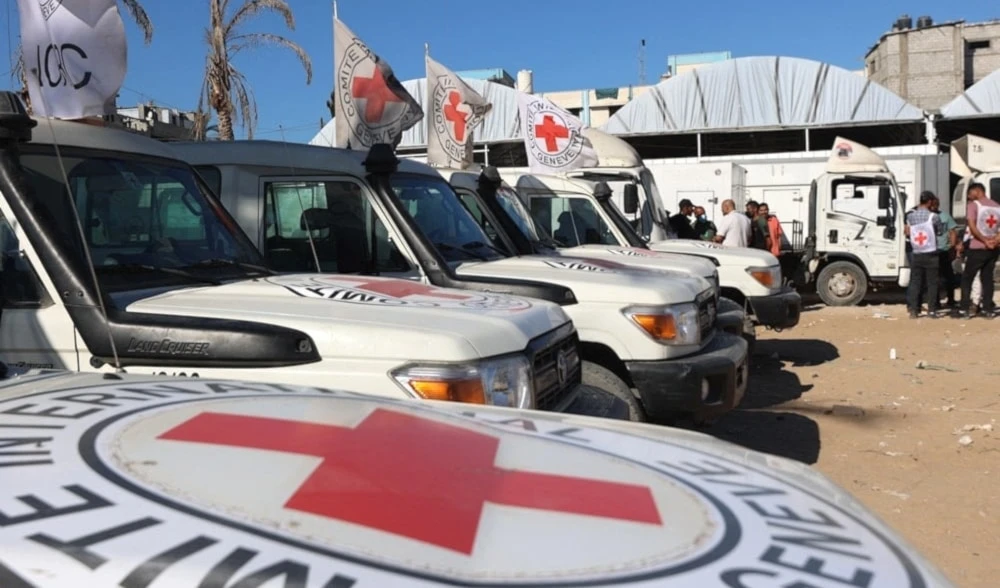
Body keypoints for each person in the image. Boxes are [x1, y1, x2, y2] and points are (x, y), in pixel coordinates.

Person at [959, 182, 1000, 318]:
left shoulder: (973, 205)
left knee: (967, 278)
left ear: (977, 191)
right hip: (993, 249)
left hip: (977, 247)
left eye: (970, 194)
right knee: (987, 278)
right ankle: (987, 309)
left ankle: (964, 308)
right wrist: (994, 241)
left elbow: (972, 226)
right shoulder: (997, 206)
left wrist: (984, 240)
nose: (970, 197)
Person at [905, 191, 945, 319]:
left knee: (916, 281)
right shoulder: (933, 217)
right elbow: (939, 232)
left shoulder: (910, 216)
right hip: (931, 253)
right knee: (932, 282)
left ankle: (914, 310)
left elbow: (907, 231)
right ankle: (932, 310)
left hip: (916, 252)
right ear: (929, 202)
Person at [929, 196, 959, 308]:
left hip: (944, 250)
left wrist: (952, 246)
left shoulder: (945, 216)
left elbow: (952, 231)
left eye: (936, 204)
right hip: (932, 250)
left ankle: (951, 299)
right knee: (934, 278)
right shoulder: (927, 216)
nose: (933, 207)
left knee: (949, 277)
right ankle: (935, 302)